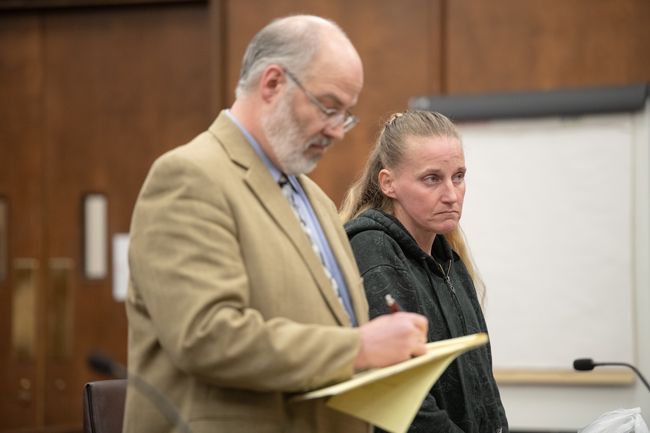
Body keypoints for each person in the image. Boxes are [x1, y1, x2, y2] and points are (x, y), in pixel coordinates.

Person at [123, 15, 429, 433]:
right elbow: (206, 335)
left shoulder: (315, 198)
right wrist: (358, 348)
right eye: (328, 107)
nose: (337, 131)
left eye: (346, 115)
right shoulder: (189, 176)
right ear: (272, 84)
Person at [341, 110, 508, 433]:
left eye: (458, 176)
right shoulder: (374, 251)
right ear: (388, 183)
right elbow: (402, 399)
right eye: (431, 179)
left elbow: (481, 387)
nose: (451, 195)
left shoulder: (450, 259)